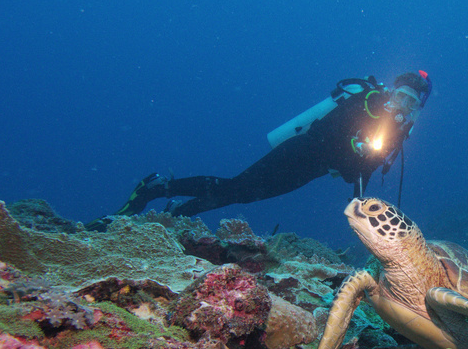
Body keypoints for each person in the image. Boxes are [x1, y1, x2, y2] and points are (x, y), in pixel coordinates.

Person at [88, 70, 431, 229]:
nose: (403, 106)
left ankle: (169, 218)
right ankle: (156, 190)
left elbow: (356, 175)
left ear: (418, 110)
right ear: (391, 92)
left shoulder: (397, 136)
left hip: (308, 172)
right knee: (234, 187)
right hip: (299, 152)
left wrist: (358, 195)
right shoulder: (365, 102)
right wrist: (353, 145)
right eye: (401, 96)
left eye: (412, 104)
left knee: (241, 195)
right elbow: (324, 131)